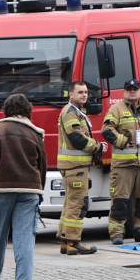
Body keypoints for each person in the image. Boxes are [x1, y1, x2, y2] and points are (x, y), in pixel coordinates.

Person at [0, 94, 47, 280]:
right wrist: (38, 187)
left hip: (0, 190)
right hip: (29, 191)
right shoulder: (35, 133)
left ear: (6, 109)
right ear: (28, 110)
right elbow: (41, 164)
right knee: (25, 238)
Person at [102, 78, 140, 245]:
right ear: (124, 92)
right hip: (123, 166)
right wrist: (122, 141)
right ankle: (116, 233)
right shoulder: (116, 109)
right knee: (120, 200)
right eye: (129, 89)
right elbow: (107, 129)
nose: (132, 92)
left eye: (135, 89)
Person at [56, 81, 100, 255]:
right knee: (78, 204)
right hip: (75, 167)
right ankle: (74, 242)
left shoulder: (77, 112)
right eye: (80, 92)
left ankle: (66, 241)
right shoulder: (70, 113)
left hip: (75, 167)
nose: (84, 95)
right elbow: (78, 139)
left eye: (86, 92)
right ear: (71, 95)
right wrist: (98, 147)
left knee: (70, 203)